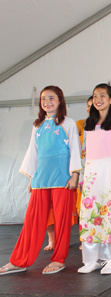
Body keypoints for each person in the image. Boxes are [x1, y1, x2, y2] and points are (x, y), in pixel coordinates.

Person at [0, 86, 81, 275]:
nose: (47, 102)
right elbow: (33, 153)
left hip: (63, 179)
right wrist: (31, 178)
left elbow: (75, 150)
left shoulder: (68, 123)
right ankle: (19, 260)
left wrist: (75, 175)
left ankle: (58, 259)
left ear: (60, 100)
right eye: (44, 99)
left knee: (61, 222)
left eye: (51, 98)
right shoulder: (37, 125)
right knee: (32, 221)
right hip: (40, 179)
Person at [78, 83, 111, 274]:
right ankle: (91, 260)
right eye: (95, 96)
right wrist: (82, 177)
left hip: (108, 174)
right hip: (90, 175)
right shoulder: (89, 124)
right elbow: (83, 153)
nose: (98, 100)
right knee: (89, 217)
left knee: (108, 216)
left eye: (102, 96)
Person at [44, 96, 92, 252]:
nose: (90, 108)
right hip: (66, 169)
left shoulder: (107, 125)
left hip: (87, 170)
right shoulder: (77, 124)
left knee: (84, 207)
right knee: (52, 208)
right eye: (88, 105)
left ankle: (86, 239)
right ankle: (53, 239)